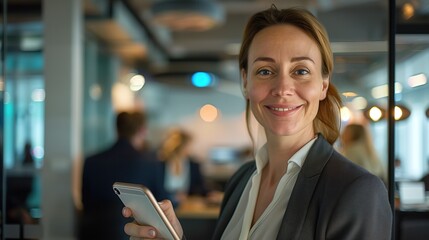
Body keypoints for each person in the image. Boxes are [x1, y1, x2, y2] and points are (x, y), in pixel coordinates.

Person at [122, 6, 392, 239]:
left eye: (300, 71)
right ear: (245, 82)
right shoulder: (241, 180)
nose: (283, 87)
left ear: (323, 85)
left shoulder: (356, 190)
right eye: (265, 71)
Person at [80, 111, 168, 240]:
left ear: (117, 129)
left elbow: (85, 202)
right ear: (142, 130)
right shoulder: (151, 163)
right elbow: (160, 202)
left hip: (94, 232)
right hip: (135, 235)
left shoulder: (91, 161)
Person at [157, 128, 209, 206]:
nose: (190, 149)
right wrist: (172, 197)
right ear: (180, 146)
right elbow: (155, 188)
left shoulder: (194, 165)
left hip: (187, 207)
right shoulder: (160, 165)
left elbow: (200, 187)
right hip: (163, 206)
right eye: (188, 145)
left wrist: (210, 194)